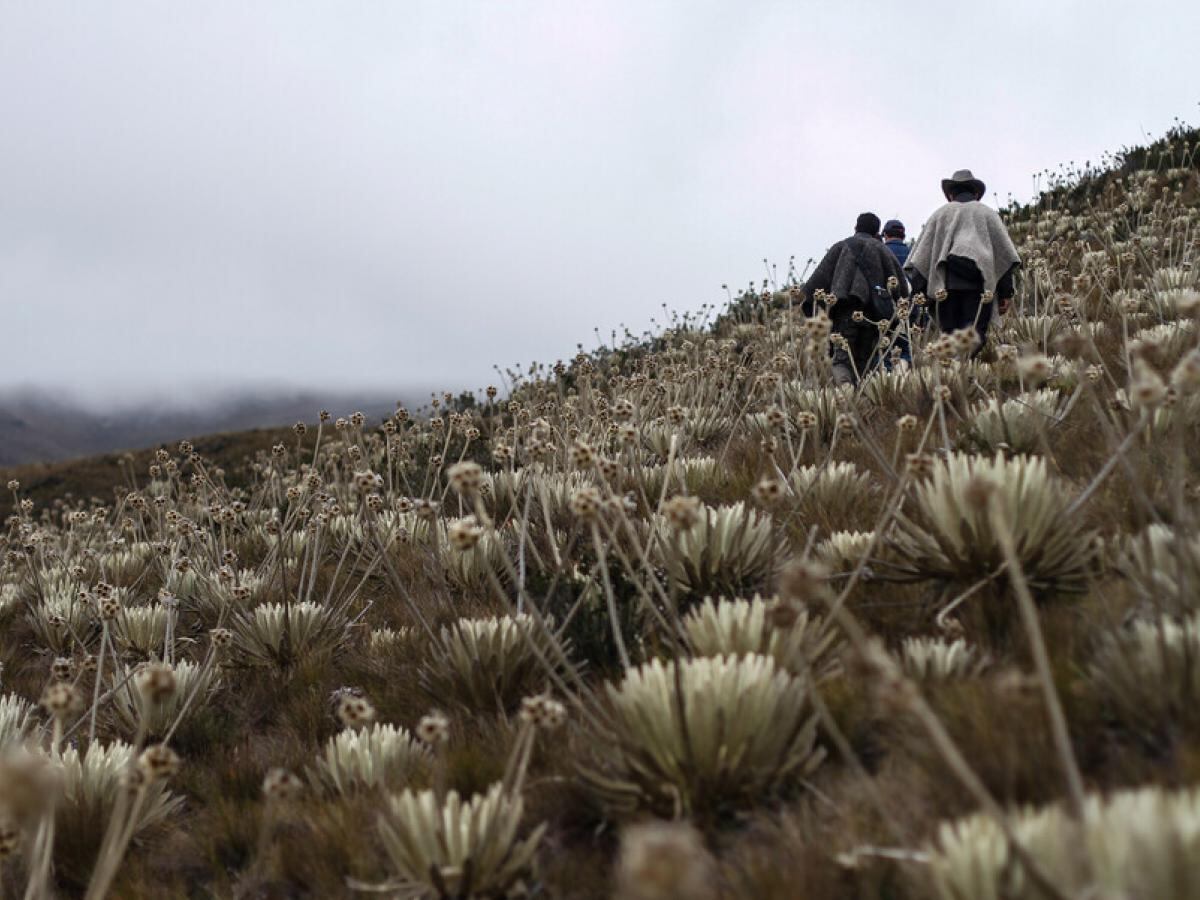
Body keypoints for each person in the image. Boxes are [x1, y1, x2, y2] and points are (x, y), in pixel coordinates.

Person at [904, 170, 1020, 350]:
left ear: (951, 194)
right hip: (979, 290)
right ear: (975, 193)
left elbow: (922, 257)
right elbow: (1002, 256)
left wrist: (920, 293)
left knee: (949, 338)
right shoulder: (988, 215)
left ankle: (953, 373)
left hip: (945, 289)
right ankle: (966, 371)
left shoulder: (939, 215)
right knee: (975, 337)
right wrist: (1006, 293)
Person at [802, 212, 909, 386]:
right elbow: (901, 288)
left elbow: (813, 286)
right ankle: (859, 397)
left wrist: (815, 318)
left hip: (843, 314)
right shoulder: (883, 250)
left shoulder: (840, 247)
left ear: (856, 227)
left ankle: (846, 393)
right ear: (877, 232)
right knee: (865, 363)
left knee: (842, 361)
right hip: (873, 318)